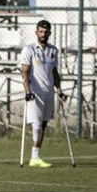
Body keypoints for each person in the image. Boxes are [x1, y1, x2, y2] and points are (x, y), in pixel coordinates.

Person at [20, 20, 68, 168]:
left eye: (46, 32)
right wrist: (28, 91)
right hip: (35, 92)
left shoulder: (53, 50)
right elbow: (25, 72)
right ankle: (34, 158)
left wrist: (59, 91)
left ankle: (36, 156)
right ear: (36, 32)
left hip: (49, 92)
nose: (43, 34)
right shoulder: (29, 50)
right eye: (41, 32)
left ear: (49, 33)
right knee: (36, 124)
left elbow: (54, 72)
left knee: (44, 124)